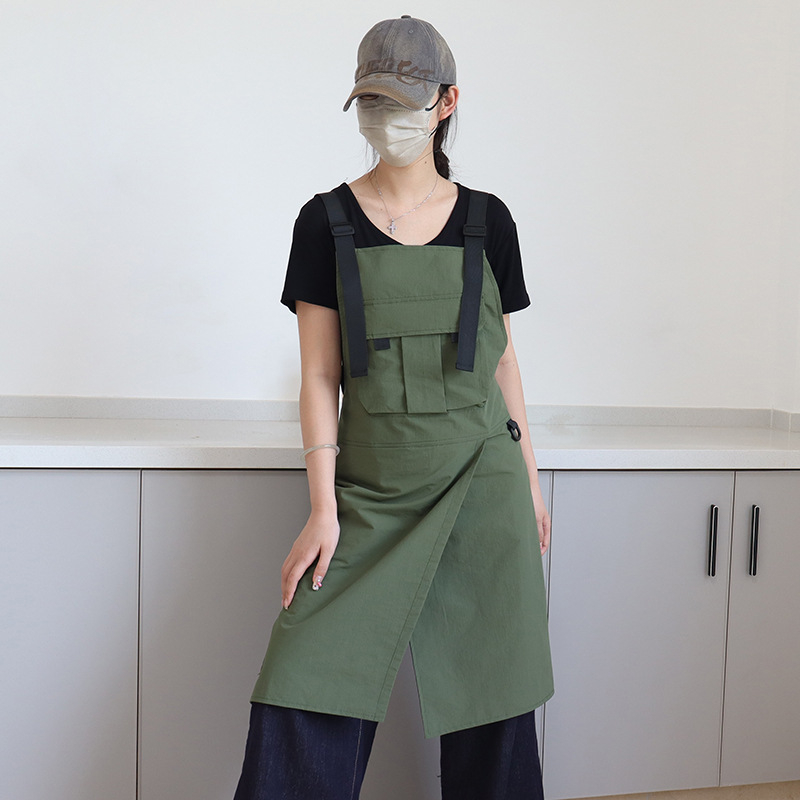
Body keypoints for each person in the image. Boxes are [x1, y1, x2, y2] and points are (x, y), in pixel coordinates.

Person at [233, 15, 554, 800]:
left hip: (484, 486)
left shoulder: (489, 221)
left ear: (447, 103)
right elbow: (319, 377)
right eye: (373, 102)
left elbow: (503, 360)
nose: (387, 119)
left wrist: (529, 480)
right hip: (371, 494)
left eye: (404, 103)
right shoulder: (325, 221)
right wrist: (323, 509)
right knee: (307, 680)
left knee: (493, 694)